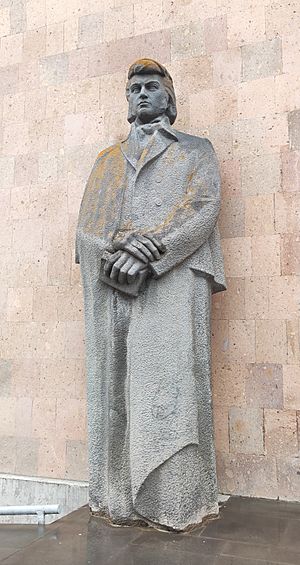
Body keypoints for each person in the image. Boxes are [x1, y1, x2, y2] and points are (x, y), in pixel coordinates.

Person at [75, 58, 226, 531]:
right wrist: (115, 249)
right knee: (117, 388)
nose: (141, 94)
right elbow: (86, 230)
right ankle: (117, 496)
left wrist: (150, 250)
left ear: (169, 97)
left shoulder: (196, 151)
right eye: (134, 89)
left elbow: (203, 208)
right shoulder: (106, 161)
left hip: (173, 277)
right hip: (113, 286)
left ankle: (173, 501)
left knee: (170, 386)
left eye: (151, 87)